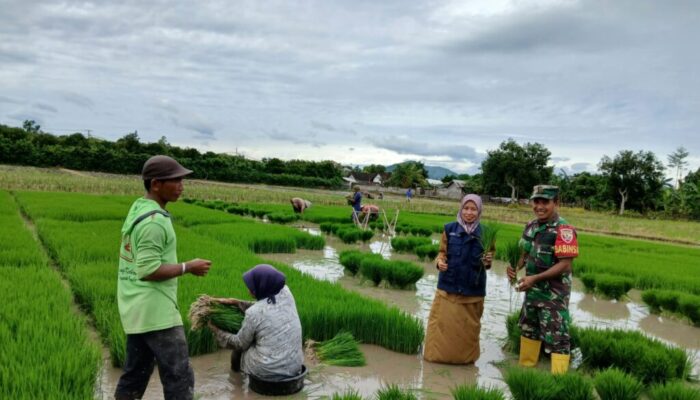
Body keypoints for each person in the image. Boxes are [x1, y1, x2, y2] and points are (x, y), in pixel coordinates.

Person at [115, 155, 212, 400]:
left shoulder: (139, 208)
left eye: (181, 180)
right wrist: (188, 267)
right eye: (175, 180)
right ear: (156, 184)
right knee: (179, 377)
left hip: (136, 308)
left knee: (135, 374)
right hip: (157, 312)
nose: (181, 185)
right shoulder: (154, 222)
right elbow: (147, 270)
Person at [507, 185, 579, 374]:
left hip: (553, 297)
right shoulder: (531, 226)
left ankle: (560, 381)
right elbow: (523, 254)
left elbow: (566, 265)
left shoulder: (564, 230)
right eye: (536, 201)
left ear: (556, 203)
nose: (539, 206)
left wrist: (534, 278)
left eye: (545, 202)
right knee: (529, 331)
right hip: (532, 294)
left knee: (558, 339)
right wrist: (514, 267)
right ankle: (526, 373)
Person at [423, 194, 493, 364]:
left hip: (472, 290)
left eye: (473, 209)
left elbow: (489, 261)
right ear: (460, 209)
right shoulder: (449, 229)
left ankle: (466, 361)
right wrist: (440, 262)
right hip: (448, 287)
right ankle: (435, 358)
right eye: (466, 208)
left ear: (479, 211)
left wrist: (487, 261)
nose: (469, 212)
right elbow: (441, 253)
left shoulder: (487, 233)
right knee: (440, 327)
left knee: (468, 330)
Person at [209, 264, 304, 382]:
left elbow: (239, 343)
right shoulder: (286, 293)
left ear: (262, 286)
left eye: (252, 287)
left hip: (266, 373)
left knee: (241, 347)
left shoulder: (253, 313)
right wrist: (237, 302)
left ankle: (235, 381)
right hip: (295, 367)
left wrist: (216, 331)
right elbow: (268, 308)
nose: (249, 291)